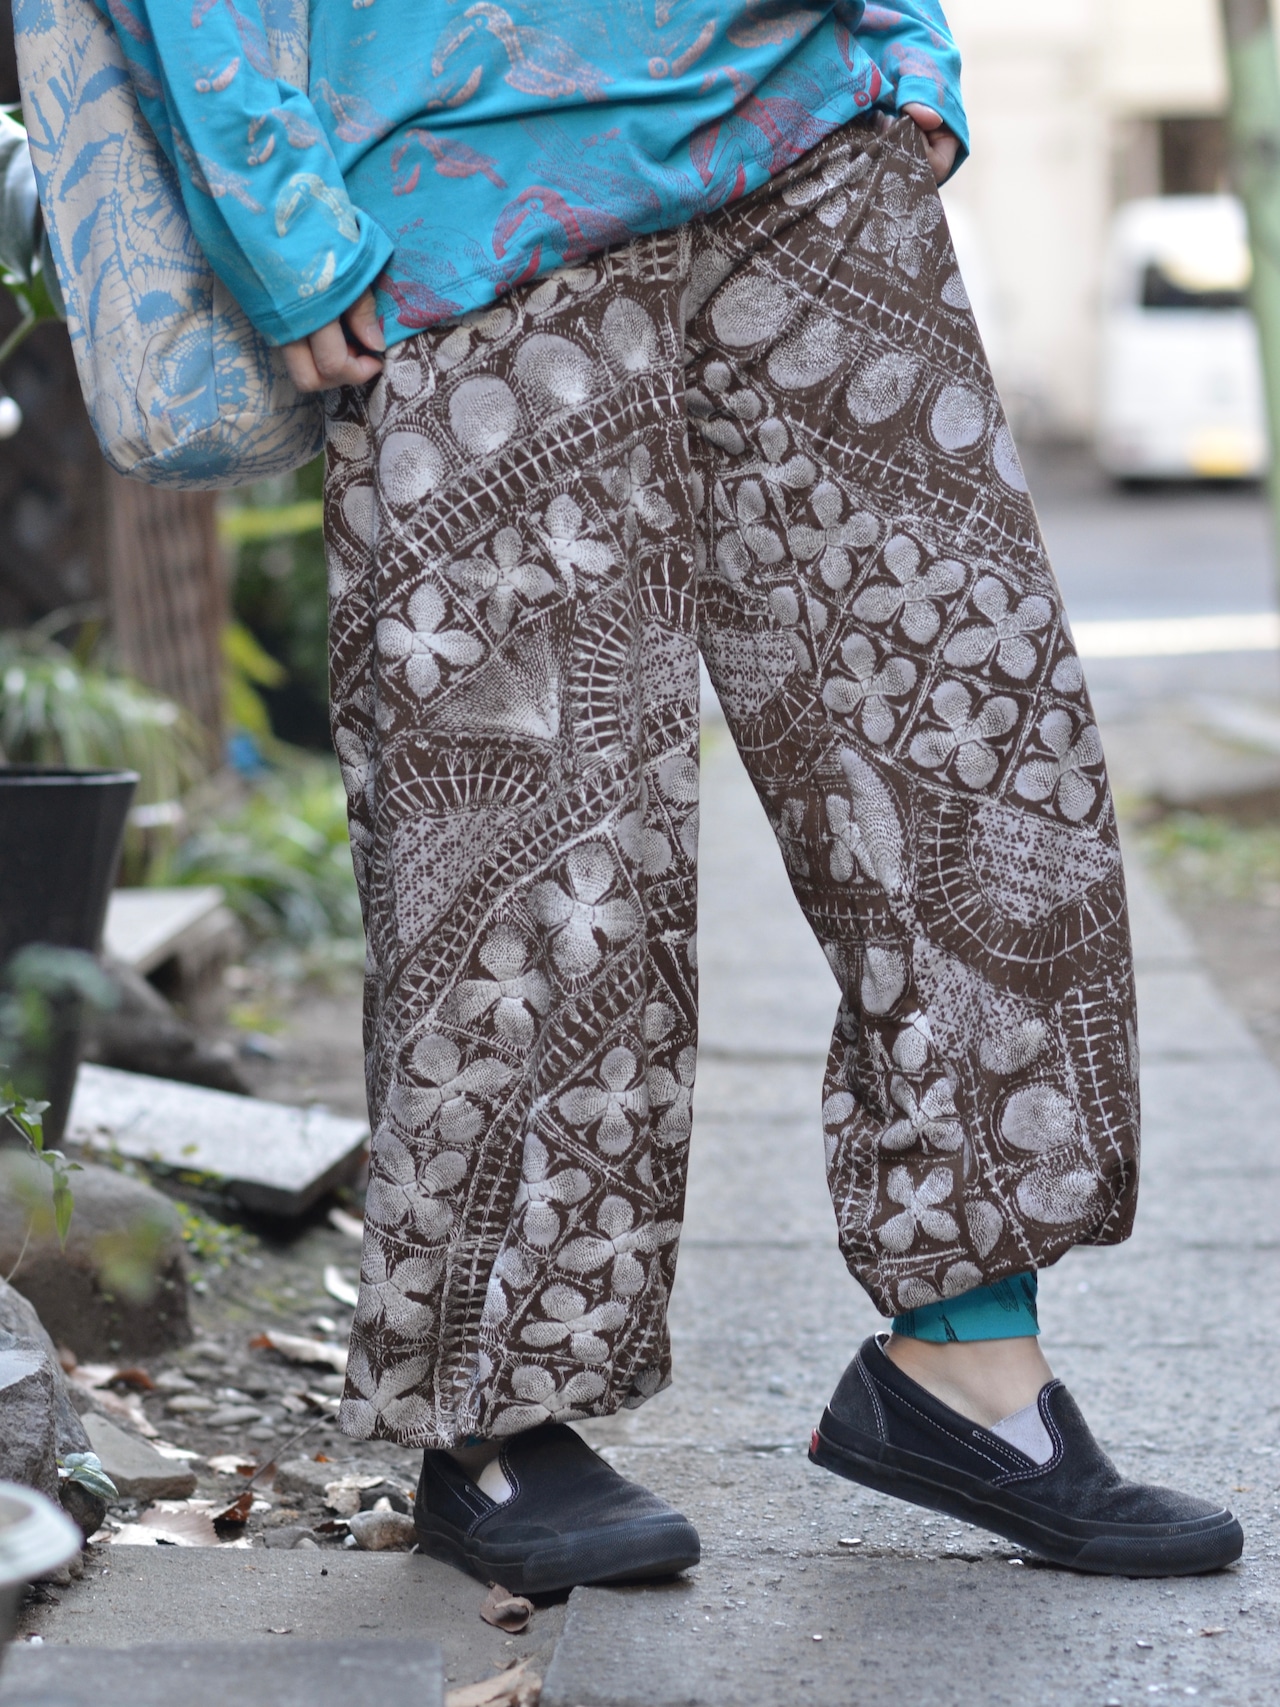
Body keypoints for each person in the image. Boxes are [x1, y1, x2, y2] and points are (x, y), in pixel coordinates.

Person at [106, 0, 1242, 1588]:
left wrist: (911, 42)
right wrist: (276, 206)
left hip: (808, 123)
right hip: (454, 173)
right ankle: (499, 1414)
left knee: (974, 749)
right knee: (533, 829)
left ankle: (971, 1361)